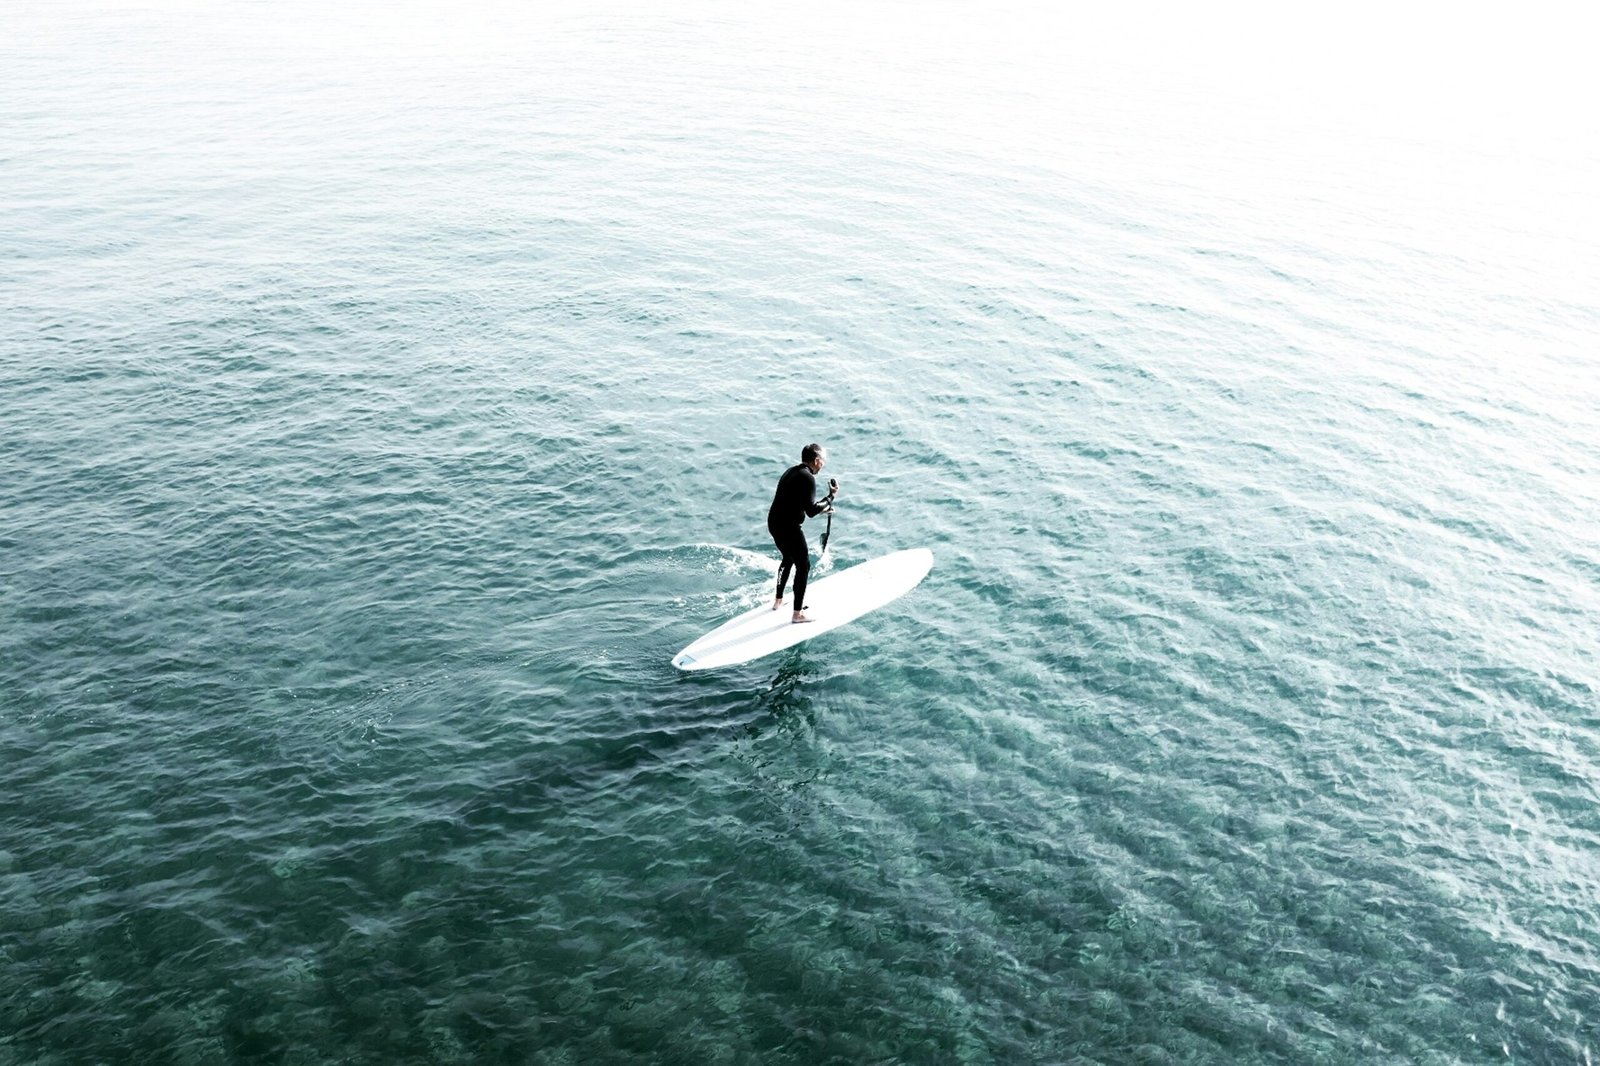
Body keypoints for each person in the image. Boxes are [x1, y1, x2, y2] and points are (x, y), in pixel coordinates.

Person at [767, 442, 838, 624]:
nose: (822, 465)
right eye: (822, 461)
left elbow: (799, 503)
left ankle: (778, 601)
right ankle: (797, 614)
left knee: (788, 558)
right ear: (816, 460)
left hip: (774, 523)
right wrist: (830, 497)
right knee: (803, 566)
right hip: (789, 527)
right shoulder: (808, 478)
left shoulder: (792, 471)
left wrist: (823, 508)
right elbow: (812, 511)